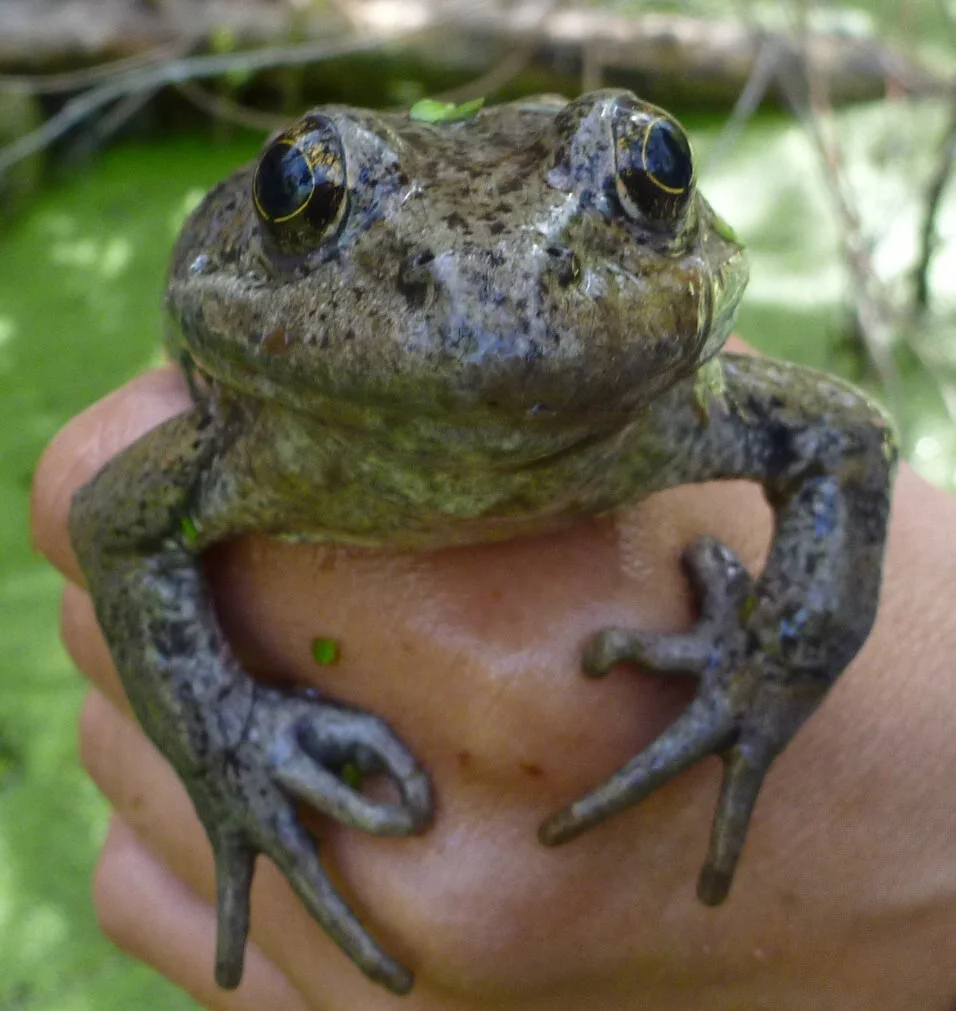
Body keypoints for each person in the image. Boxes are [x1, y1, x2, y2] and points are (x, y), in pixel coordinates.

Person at [31, 347, 956, 1011]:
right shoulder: (236, 433)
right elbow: (121, 525)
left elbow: (840, 442)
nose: (491, 299)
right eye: (304, 193)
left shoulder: (688, 396)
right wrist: (225, 738)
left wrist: (776, 665)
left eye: (647, 177)